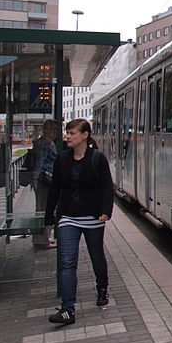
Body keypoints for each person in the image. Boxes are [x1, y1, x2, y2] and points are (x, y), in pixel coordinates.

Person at [44, 119, 114, 325]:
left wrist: (105, 211)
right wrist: (50, 216)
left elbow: (106, 187)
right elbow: (55, 189)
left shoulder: (97, 159)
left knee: (96, 255)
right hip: (68, 217)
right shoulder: (62, 159)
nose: (68, 136)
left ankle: (102, 289)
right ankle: (68, 309)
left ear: (85, 135)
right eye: (67, 133)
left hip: (93, 217)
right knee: (67, 262)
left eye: (72, 133)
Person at [31, 119, 59, 249]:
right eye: (53, 129)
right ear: (46, 130)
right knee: (43, 209)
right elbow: (39, 162)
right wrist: (36, 179)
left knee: (45, 208)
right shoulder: (44, 144)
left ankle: (43, 238)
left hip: (46, 179)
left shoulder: (48, 143)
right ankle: (41, 240)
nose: (55, 132)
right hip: (44, 180)